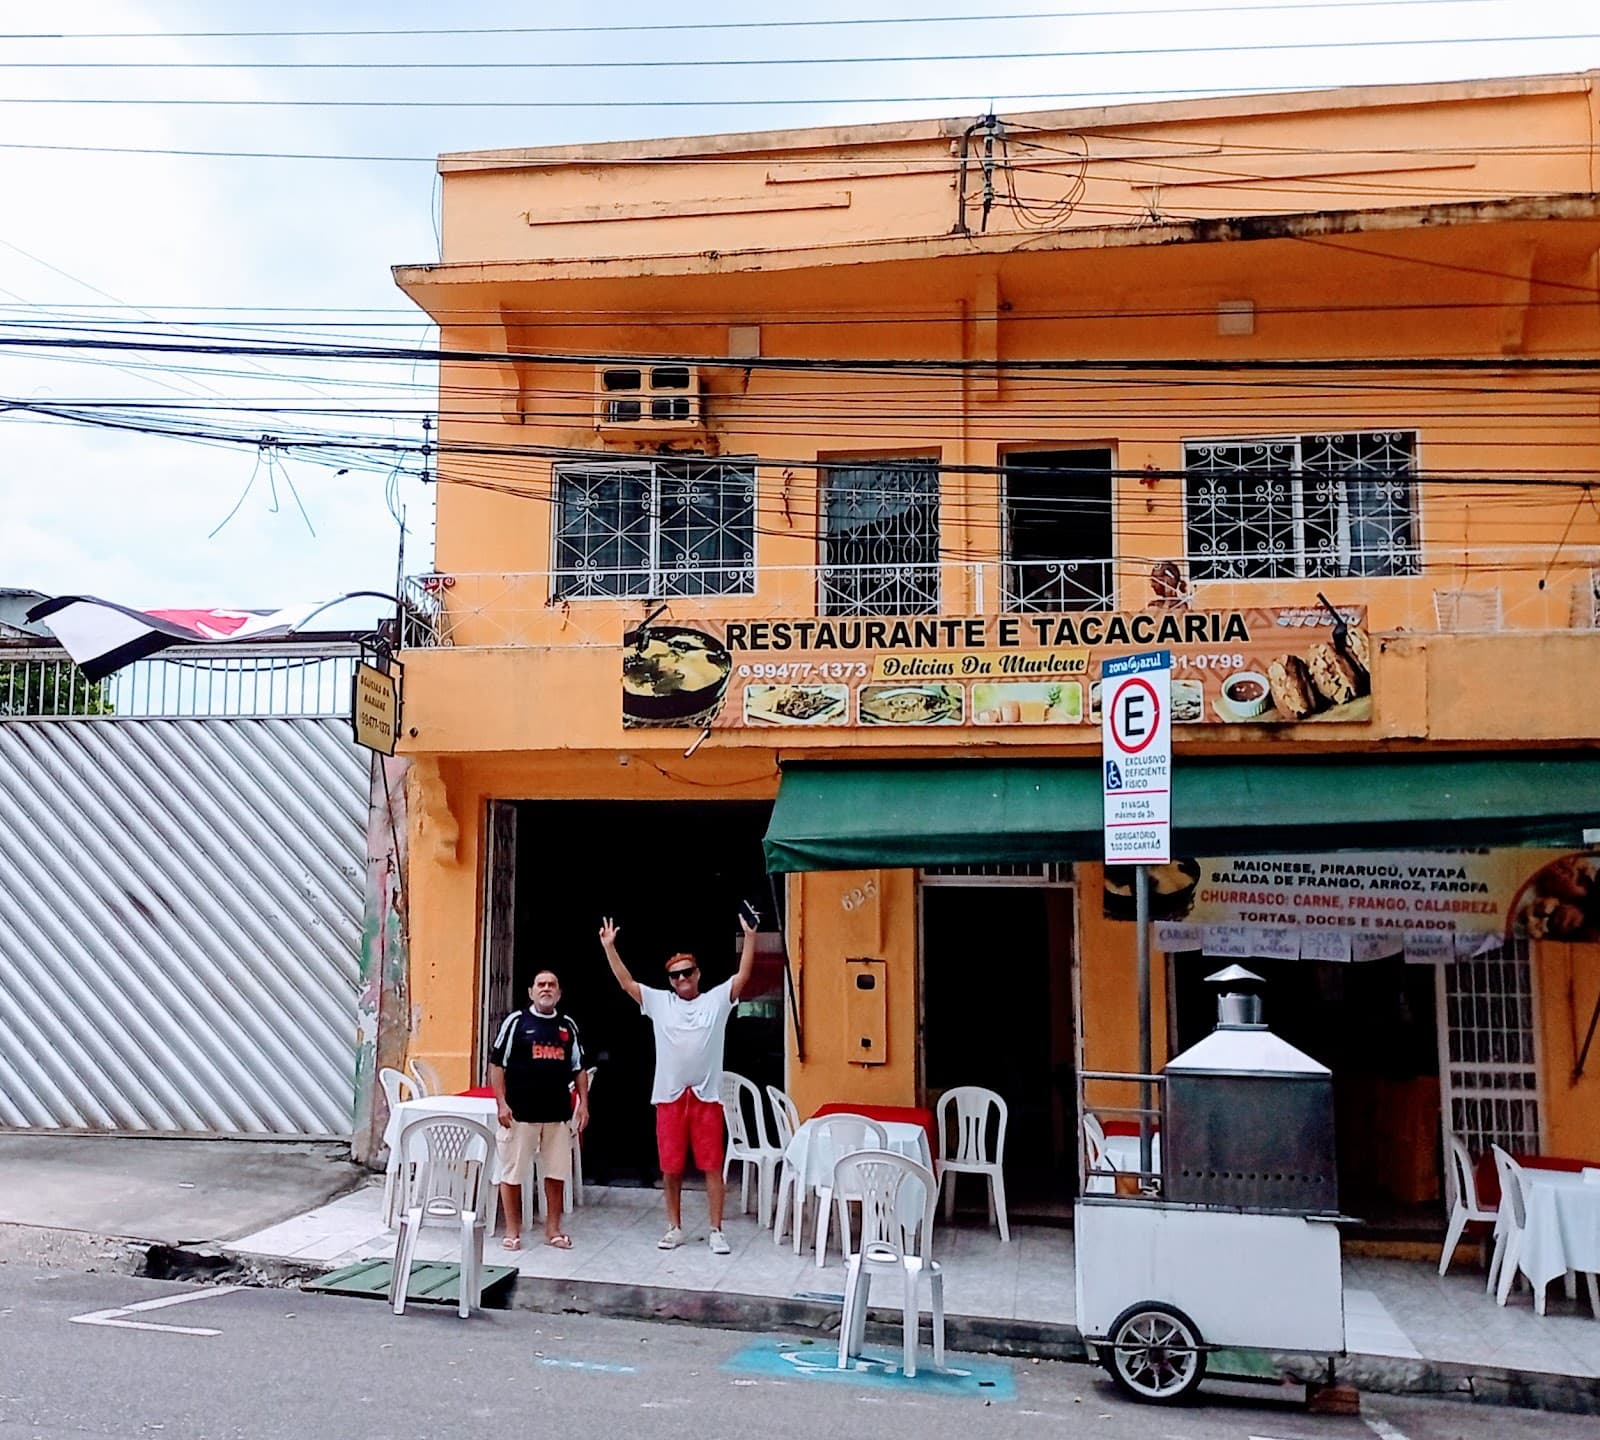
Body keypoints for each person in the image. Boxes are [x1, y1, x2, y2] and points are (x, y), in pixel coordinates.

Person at [599, 908, 757, 1253]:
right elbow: (627, 983)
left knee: (713, 1166)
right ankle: (674, 1226)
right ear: (669, 980)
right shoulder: (660, 1001)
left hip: (707, 1097)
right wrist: (610, 947)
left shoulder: (716, 999)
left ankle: (716, 1229)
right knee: (670, 1168)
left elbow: (743, 975)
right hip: (670, 1097)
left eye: (687, 972)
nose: (681, 979)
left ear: (698, 973)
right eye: (675, 975)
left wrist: (750, 936)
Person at [488, 969, 590, 1251]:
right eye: (541, 985)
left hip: (557, 1115)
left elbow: (578, 1067)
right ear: (531, 992)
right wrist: (501, 1103)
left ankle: (553, 1231)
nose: (546, 989)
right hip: (520, 1115)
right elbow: (497, 1065)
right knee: (512, 1174)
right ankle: (512, 1231)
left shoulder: (567, 1025)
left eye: (552, 985)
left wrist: (583, 1105)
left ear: (559, 993)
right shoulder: (517, 1022)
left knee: (556, 1174)